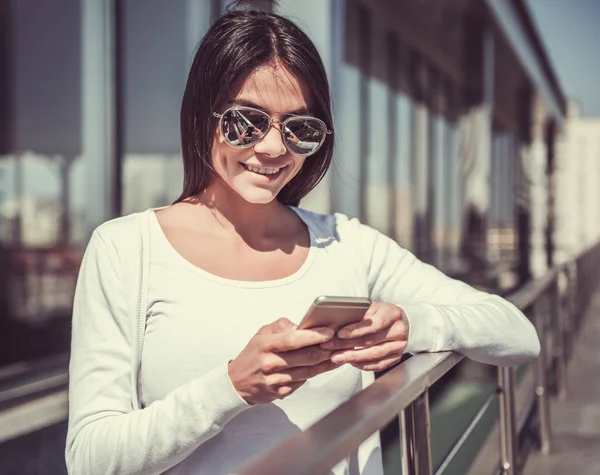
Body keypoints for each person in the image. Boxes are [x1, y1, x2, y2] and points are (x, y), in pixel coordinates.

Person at [65, 7, 540, 475]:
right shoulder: (126, 250)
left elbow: (516, 333)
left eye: (299, 128)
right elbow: (90, 459)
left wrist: (414, 327)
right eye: (245, 121)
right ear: (203, 114)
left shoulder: (346, 244)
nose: (274, 148)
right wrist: (230, 388)